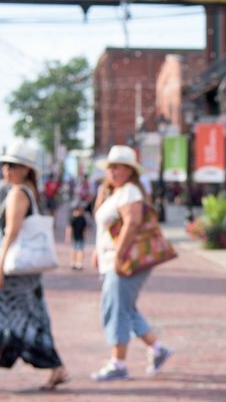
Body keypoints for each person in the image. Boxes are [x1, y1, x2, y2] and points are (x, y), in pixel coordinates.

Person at [0, 143, 68, 392]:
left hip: (11, 269)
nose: (6, 170)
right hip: (25, 271)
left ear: (26, 169)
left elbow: (11, 232)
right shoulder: (29, 191)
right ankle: (56, 367)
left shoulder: (18, 193)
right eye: (5, 165)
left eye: (12, 166)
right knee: (32, 317)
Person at [90, 145, 172, 381]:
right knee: (126, 308)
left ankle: (118, 363)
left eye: (117, 167)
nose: (112, 172)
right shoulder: (115, 193)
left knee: (115, 309)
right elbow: (103, 226)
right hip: (113, 259)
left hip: (126, 260)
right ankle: (157, 349)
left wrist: (118, 254)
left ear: (129, 171)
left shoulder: (129, 192)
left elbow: (132, 223)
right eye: (110, 168)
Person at [65, 205, 88, 270]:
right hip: (75, 237)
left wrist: (85, 234)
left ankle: (79, 263)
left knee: (79, 250)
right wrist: (68, 237)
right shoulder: (73, 219)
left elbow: (85, 228)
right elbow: (69, 228)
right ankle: (74, 262)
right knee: (75, 250)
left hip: (80, 237)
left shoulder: (82, 219)